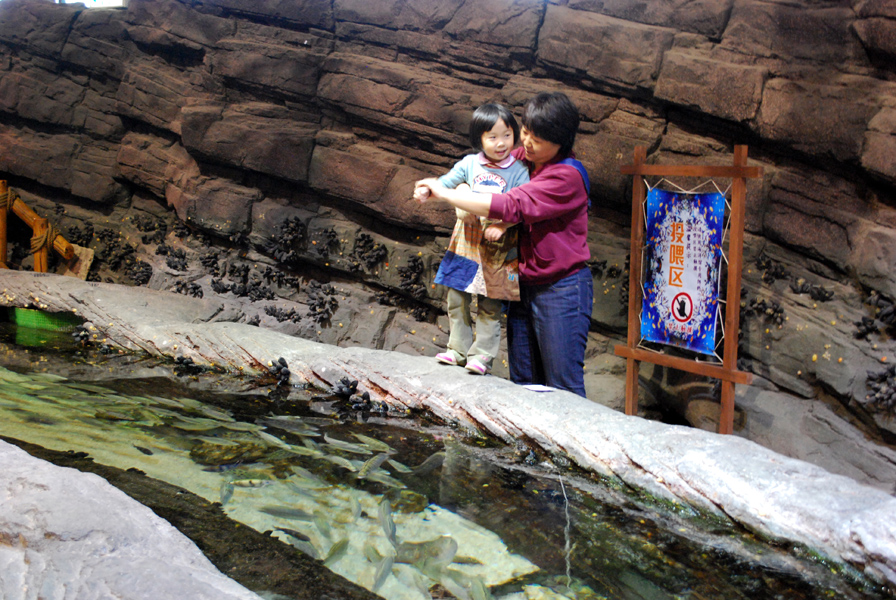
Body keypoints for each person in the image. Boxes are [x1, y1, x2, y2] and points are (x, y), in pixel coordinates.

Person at [415, 92, 592, 397]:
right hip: (520, 285)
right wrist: (458, 184)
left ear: (560, 141)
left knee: (563, 388)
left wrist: (443, 194)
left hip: (561, 289)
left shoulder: (567, 176)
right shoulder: (524, 159)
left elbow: (508, 205)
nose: (526, 143)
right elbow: (480, 168)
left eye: (537, 138)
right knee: (524, 383)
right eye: (525, 132)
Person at [416, 103, 530, 375]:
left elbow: (523, 206)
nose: (501, 143)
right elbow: (445, 182)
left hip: (498, 250)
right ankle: (457, 349)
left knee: (490, 305)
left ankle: (482, 356)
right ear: (478, 138)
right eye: (492, 137)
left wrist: (503, 224)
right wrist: (425, 189)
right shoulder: (469, 164)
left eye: (507, 135)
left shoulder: (518, 170)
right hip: (466, 244)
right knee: (457, 297)